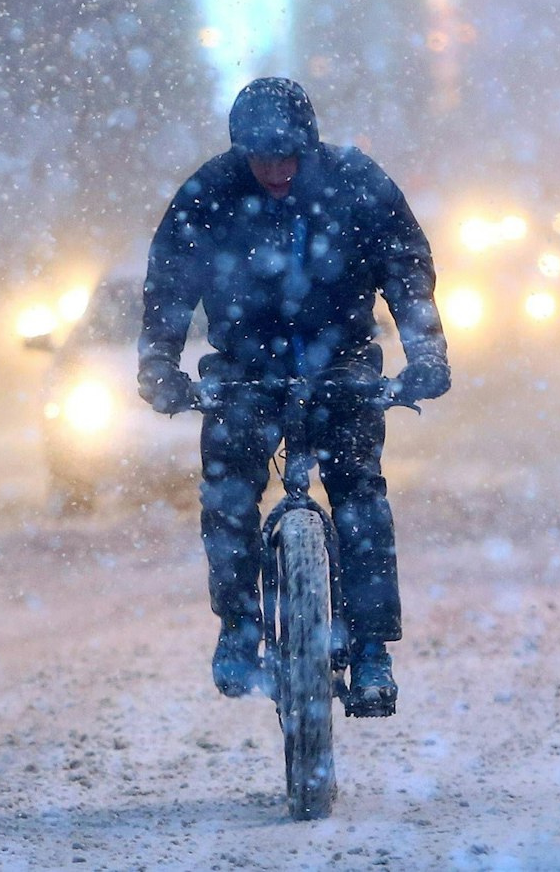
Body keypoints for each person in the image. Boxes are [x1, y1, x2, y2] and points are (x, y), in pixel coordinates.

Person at [135, 77, 450, 716]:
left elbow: (406, 269)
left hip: (342, 364)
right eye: (261, 156)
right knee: (227, 493)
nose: (276, 170)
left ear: (309, 146)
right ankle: (238, 625)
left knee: (360, 494)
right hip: (244, 369)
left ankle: (370, 651)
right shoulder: (210, 194)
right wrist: (159, 365)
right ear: (238, 152)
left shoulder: (356, 185)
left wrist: (427, 352)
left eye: (288, 156)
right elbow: (169, 284)